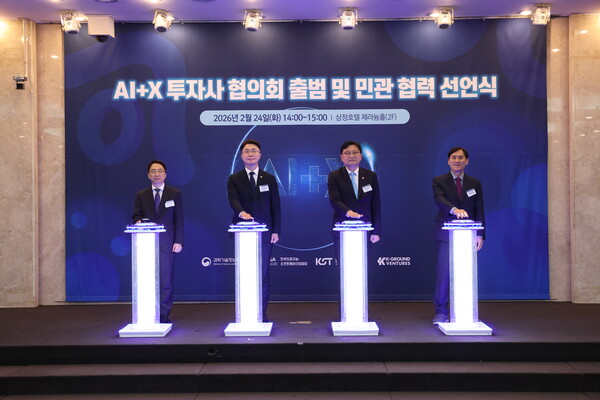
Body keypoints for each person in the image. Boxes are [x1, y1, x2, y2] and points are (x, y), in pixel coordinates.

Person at [227, 139, 281, 322]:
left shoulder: (269, 178)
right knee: (246, 273)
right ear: (241, 156)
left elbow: (275, 206)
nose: (250, 154)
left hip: (265, 233)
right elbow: (233, 199)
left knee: (262, 274)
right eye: (247, 151)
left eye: (254, 150)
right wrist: (241, 213)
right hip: (243, 233)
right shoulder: (234, 179)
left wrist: (276, 230)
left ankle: (260, 313)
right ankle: (245, 313)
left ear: (260, 154)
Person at [432, 146, 485, 324]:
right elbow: (439, 199)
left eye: (460, 158)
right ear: (448, 161)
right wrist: (454, 209)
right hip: (446, 234)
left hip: (468, 235)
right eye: (453, 157)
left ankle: (464, 310)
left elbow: (479, 208)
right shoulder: (439, 181)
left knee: (465, 273)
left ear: (467, 161)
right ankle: (441, 311)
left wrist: (480, 234)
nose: (457, 160)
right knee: (444, 274)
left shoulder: (474, 183)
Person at [132, 160, 184, 324]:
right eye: (153, 171)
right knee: (147, 280)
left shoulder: (174, 193)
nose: (156, 174)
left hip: (167, 243)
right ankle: (148, 312)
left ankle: (163, 314)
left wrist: (179, 241)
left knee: (166, 281)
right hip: (146, 243)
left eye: (160, 171)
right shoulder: (141, 195)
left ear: (165, 174)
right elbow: (136, 215)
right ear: (148, 175)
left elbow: (179, 219)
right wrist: (138, 221)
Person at [327, 140, 381, 262]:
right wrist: (348, 212)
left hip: (366, 230)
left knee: (363, 264)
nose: (351, 156)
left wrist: (376, 231)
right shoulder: (334, 176)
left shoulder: (370, 176)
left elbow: (376, 205)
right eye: (347, 153)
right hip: (343, 228)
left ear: (360, 156)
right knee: (344, 264)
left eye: (355, 152)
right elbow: (335, 200)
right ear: (342, 157)